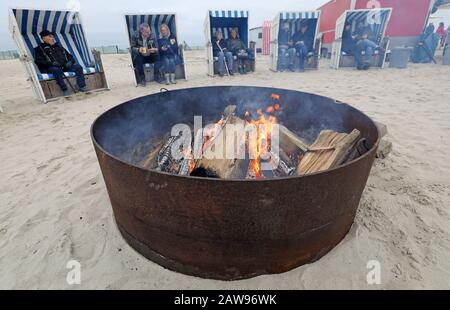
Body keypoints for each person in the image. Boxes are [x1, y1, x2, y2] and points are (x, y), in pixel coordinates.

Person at [34, 30, 88, 97]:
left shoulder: (59, 47)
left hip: (65, 66)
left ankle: (82, 86)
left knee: (78, 67)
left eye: (52, 36)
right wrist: (52, 63)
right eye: (50, 36)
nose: (52, 38)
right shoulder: (39, 49)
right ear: (44, 38)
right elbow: (38, 61)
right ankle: (64, 89)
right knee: (55, 69)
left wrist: (70, 62)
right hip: (52, 68)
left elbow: (70, 57)